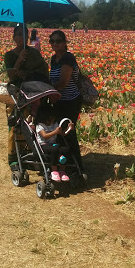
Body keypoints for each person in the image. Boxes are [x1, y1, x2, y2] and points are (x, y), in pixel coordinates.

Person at [4, 25, 49, 166]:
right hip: (17, 92)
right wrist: (19, 60)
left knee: (33, 122)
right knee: (17, 122)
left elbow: (43, 70)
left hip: (34, 91)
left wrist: (28, 73)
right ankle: (14, 156)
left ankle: (33, 152)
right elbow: (11, 75)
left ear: (28, 37)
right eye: (18, 35)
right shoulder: (9, 55)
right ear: (13, 37)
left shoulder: (34, 53)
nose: (21, 37)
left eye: (24, 34)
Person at [49, 30, 84, 170]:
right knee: (59, 132)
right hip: (59, 100)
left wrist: (48, 89)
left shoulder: (68, 58)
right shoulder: (54, 58)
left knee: (68, 131)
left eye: (58, 41)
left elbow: (63, 82)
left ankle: (77, 167)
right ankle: (64, 162)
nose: (55, 44)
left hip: (70, 100)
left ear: (64, 43)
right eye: (52, 41)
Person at [35, 104, 74, 182]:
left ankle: (62, 170)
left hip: (54, 145)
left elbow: (63, 134)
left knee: (65, 149)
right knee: (54, 149)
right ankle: (54, 170)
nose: (53, 120)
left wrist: (69, 129)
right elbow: (45, 136)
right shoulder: (40, 126)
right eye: (51, 119)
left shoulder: (55, 124)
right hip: (44, 146)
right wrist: (55, 132)